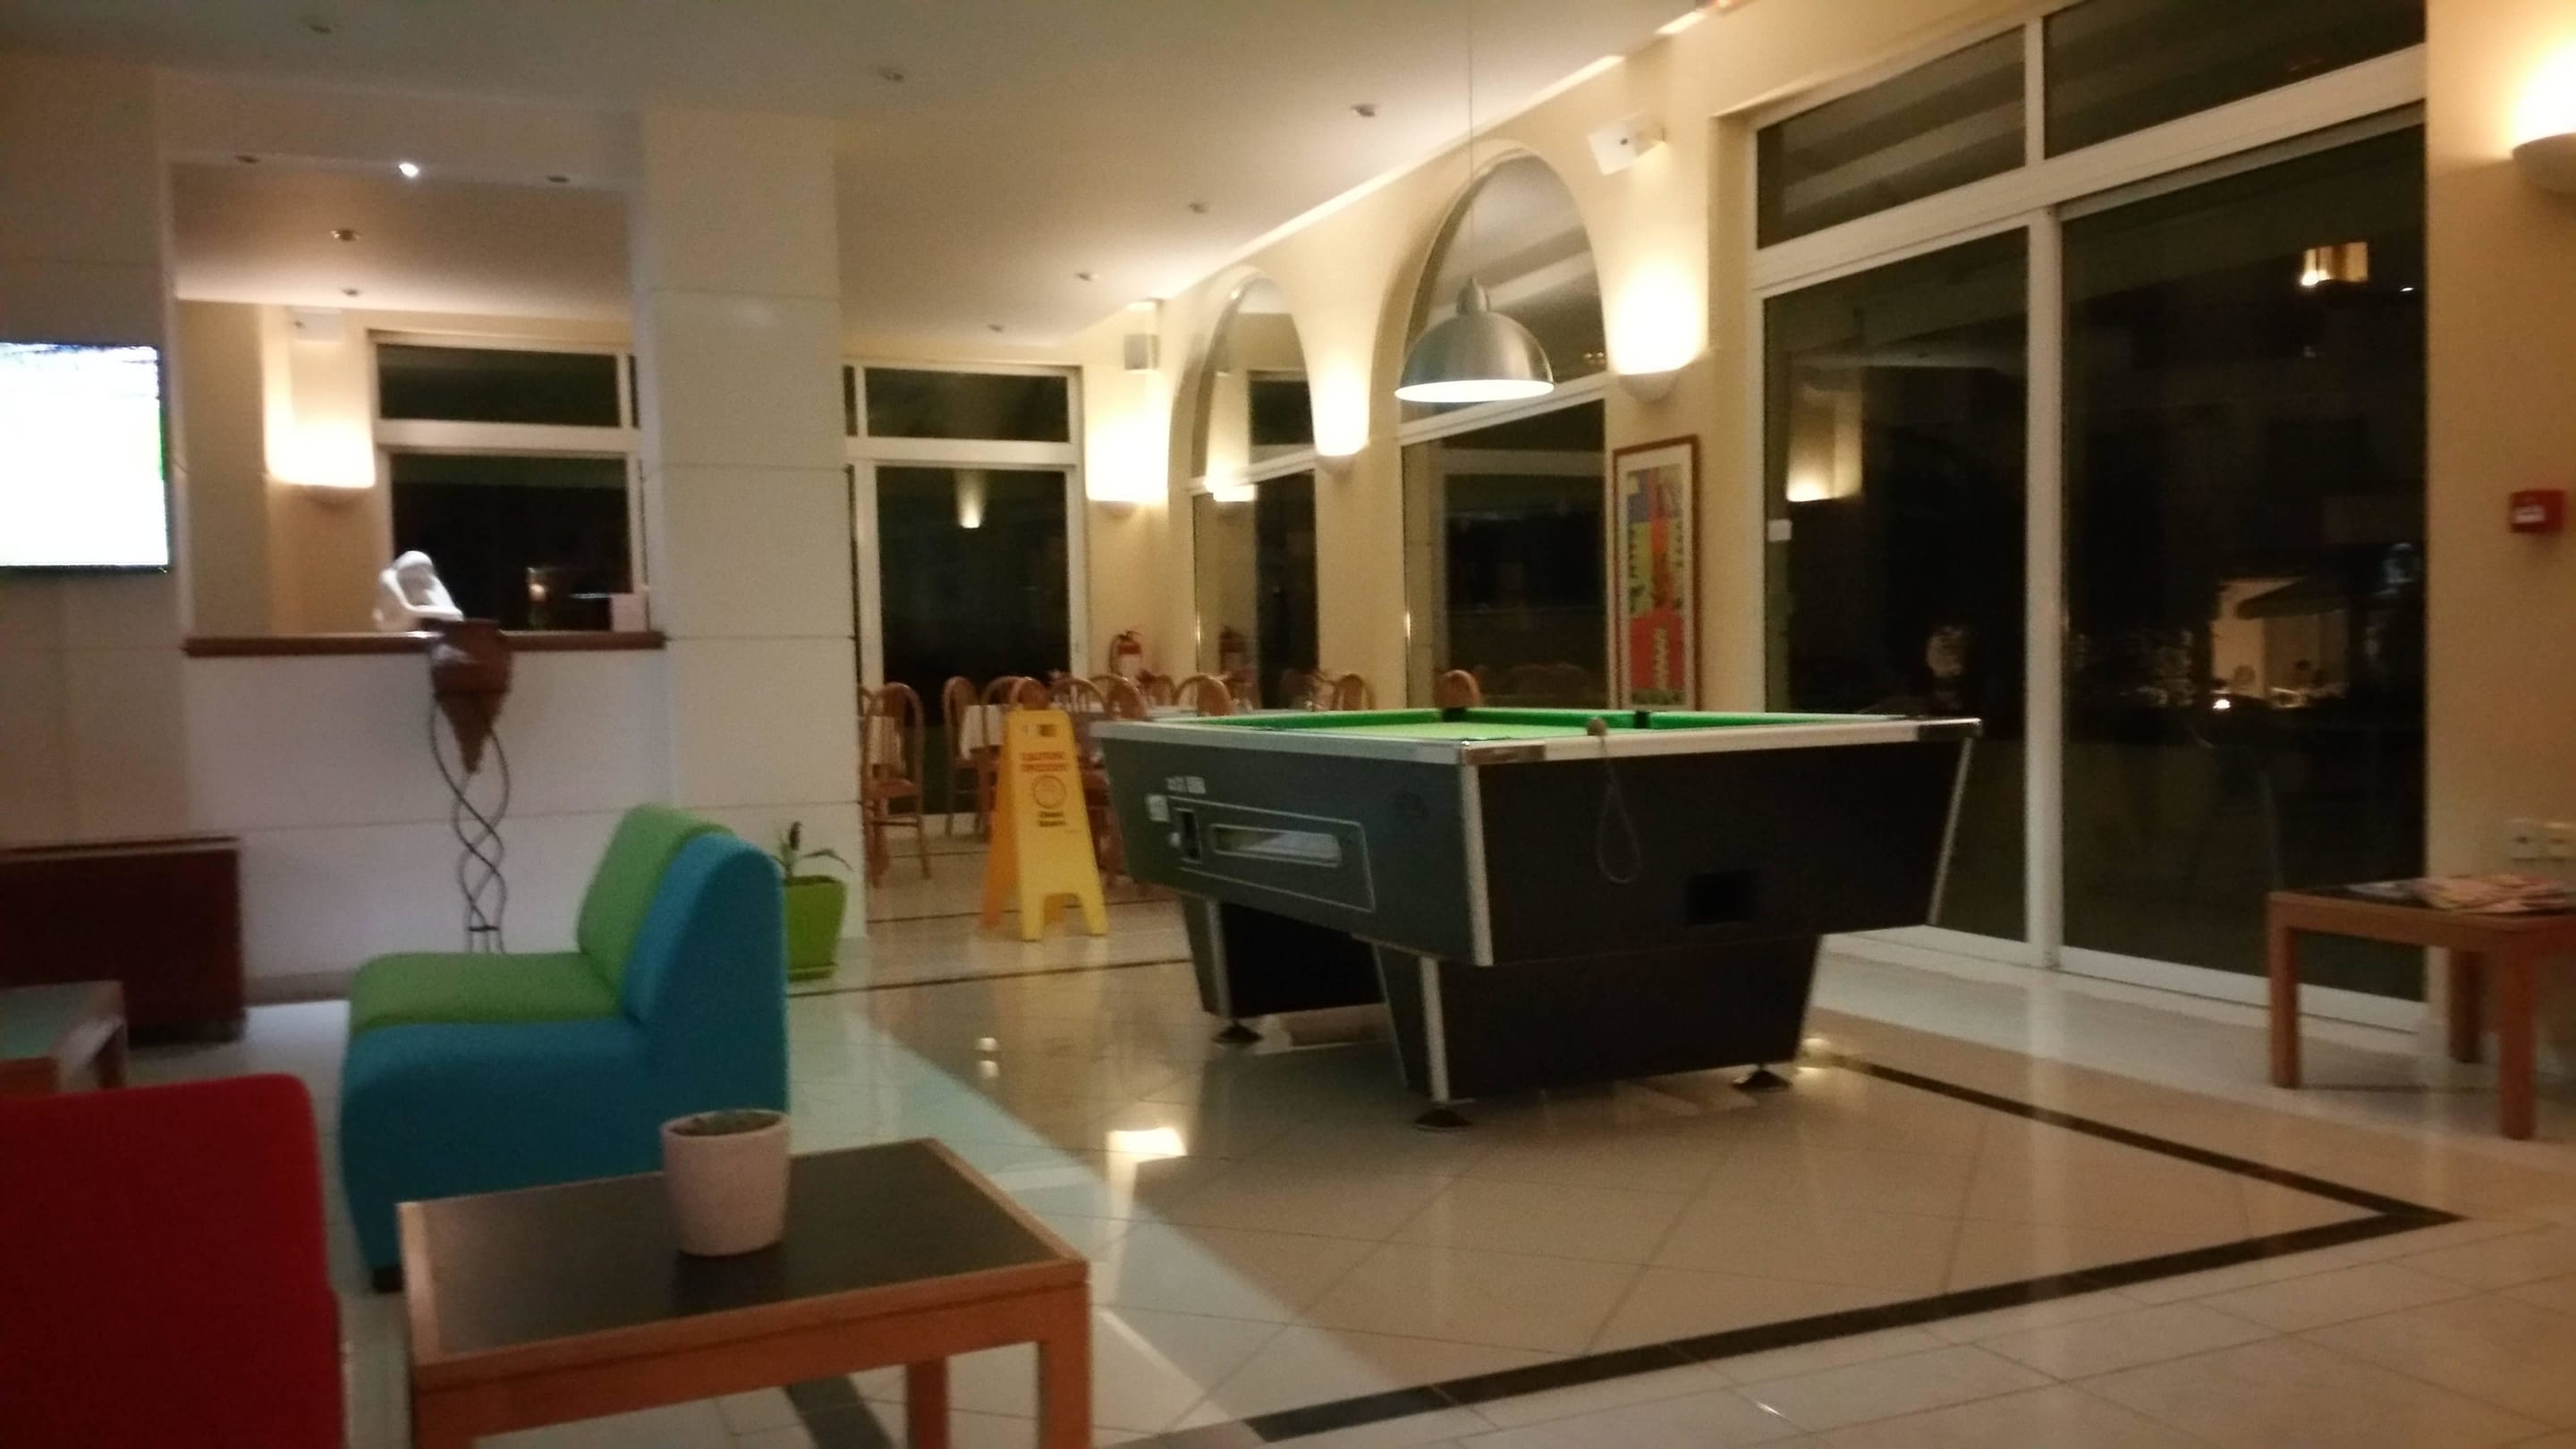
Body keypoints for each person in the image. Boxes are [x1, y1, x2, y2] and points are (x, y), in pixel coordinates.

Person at [372, 550, 465, 632]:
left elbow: (456, 615)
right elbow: (383, 624)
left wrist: (415, 611)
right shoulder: (394, 583)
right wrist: (406, 608)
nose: (413, 582)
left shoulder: (429, 586)